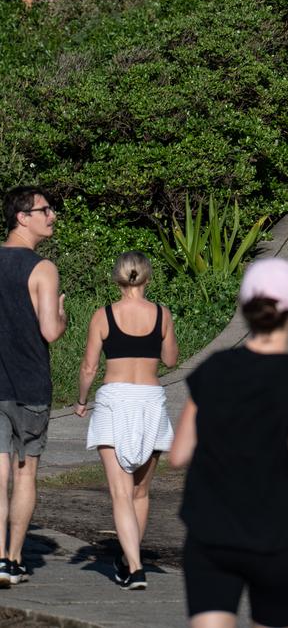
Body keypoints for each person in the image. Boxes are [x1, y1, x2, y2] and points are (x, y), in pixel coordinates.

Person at [170, 257, 288, 628]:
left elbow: (179, 452)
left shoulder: (213, 369)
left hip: (211, 530)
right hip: (276, 533)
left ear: (244, 309)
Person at [74, 251, 178, 591]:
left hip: (114, 400)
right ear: (147, 278)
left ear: (117, 279)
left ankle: (133, 567)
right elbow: (171, 359)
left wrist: (81, 400)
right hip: (150, 400)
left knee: (120, 493)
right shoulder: (162, 314)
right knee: (140, 492)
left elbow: (89, 367)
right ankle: (131, 561)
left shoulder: (103, 315)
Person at [0, 186, 66, 586]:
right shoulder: (43, 269)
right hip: (27, 382)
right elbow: (50, 332)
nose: (52, 215)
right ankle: (12, 559)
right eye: (45, 209)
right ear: (22, 217)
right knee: (24, 474)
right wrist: (60, 315)